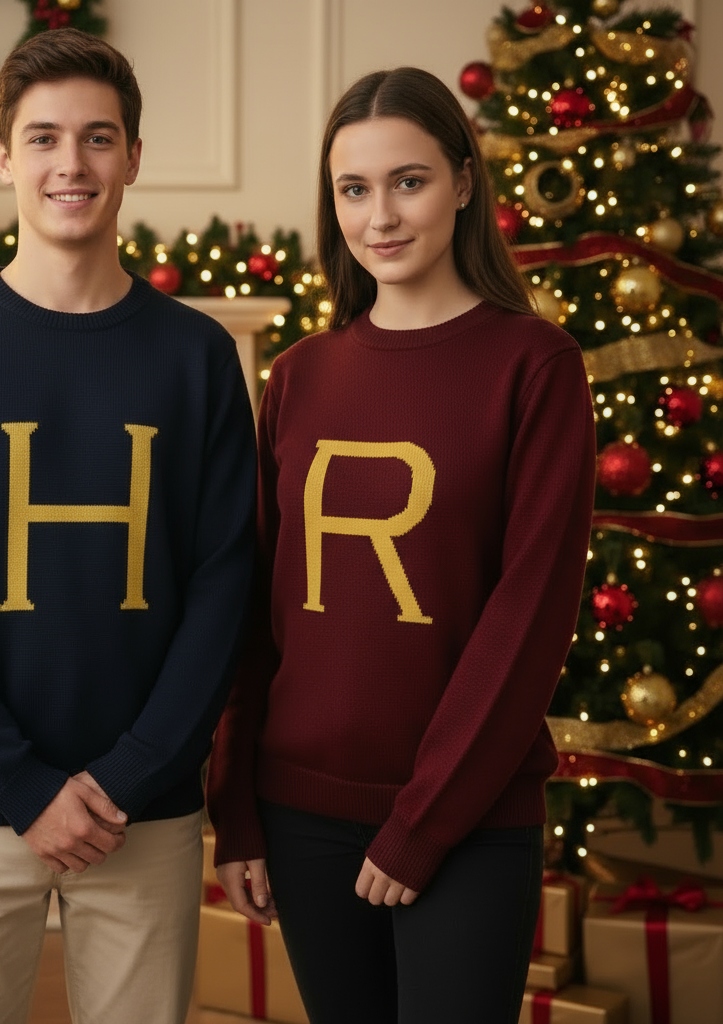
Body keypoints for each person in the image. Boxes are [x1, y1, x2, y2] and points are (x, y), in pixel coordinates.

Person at [0, 27, 256, 1024]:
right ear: (3, 156)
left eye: (96, 137)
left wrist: (126, 774)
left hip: (144, 810)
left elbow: (222, 583)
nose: (69, 164)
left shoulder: (197, 357)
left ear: (132, 156)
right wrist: (21, 782)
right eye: (41, 138)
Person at [206, 66, 596, 1024]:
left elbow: (529, 614)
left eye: (408, 181)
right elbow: (254, 611)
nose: (379, 215)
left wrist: (420, 825)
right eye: (353, 188)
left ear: (464, 182)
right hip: (299, 818)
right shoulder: (297, 379)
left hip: (464, 823)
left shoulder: (535, 367)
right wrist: (238, 811)